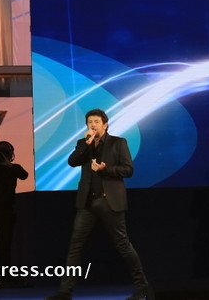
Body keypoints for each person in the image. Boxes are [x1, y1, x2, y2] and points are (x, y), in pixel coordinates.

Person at [47, 109, 148, 300]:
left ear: (105, 125)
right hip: (87, 203)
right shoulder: (83, 143)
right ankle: (65, 292)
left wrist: (105, 169)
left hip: (109, 201)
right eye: (89, 122)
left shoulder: (118, 143)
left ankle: (142, 287)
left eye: (96, 121)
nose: (92, 125)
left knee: (123, 244)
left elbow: (128, 170)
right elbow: (72, 162)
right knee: (75, 246)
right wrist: (86, 144)